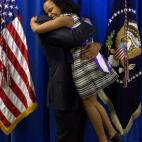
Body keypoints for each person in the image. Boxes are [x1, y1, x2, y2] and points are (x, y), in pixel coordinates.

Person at [30, 0, 121, 142]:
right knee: (67, 136)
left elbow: (83, 36)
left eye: (52, 8)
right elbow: (76, 37)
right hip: (64, 92)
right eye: (47, 12)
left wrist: (97, 45)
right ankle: (109, 135)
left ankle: (110, 134)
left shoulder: (67, 19)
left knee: (89, 111)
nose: (50, 13)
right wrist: (34, 24)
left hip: (82, 73)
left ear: (61, 4)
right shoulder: (53, 27)